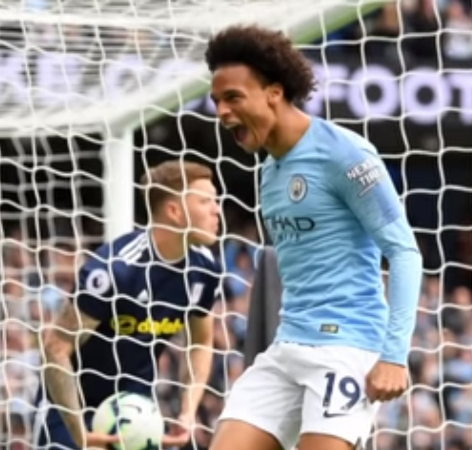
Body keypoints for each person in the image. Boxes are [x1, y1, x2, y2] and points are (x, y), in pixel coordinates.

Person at [205, 25, 423, 450]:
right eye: (217, 101)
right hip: (288, 346)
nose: (222, 112)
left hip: (346, 346)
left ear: (273, 91)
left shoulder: (345, 154)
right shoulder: (269, 171)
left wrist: (394, 355)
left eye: (233, 97)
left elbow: (404, 252)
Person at [35, 160, 224, 449]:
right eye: (206, 200)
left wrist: (187, 411)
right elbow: (56, 348)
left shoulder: (204, 270)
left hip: (136, 414)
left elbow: (201, 342)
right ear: (174, 211)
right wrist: (79, 433)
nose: (217, 209)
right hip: (69, 411)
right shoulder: (115, 269)